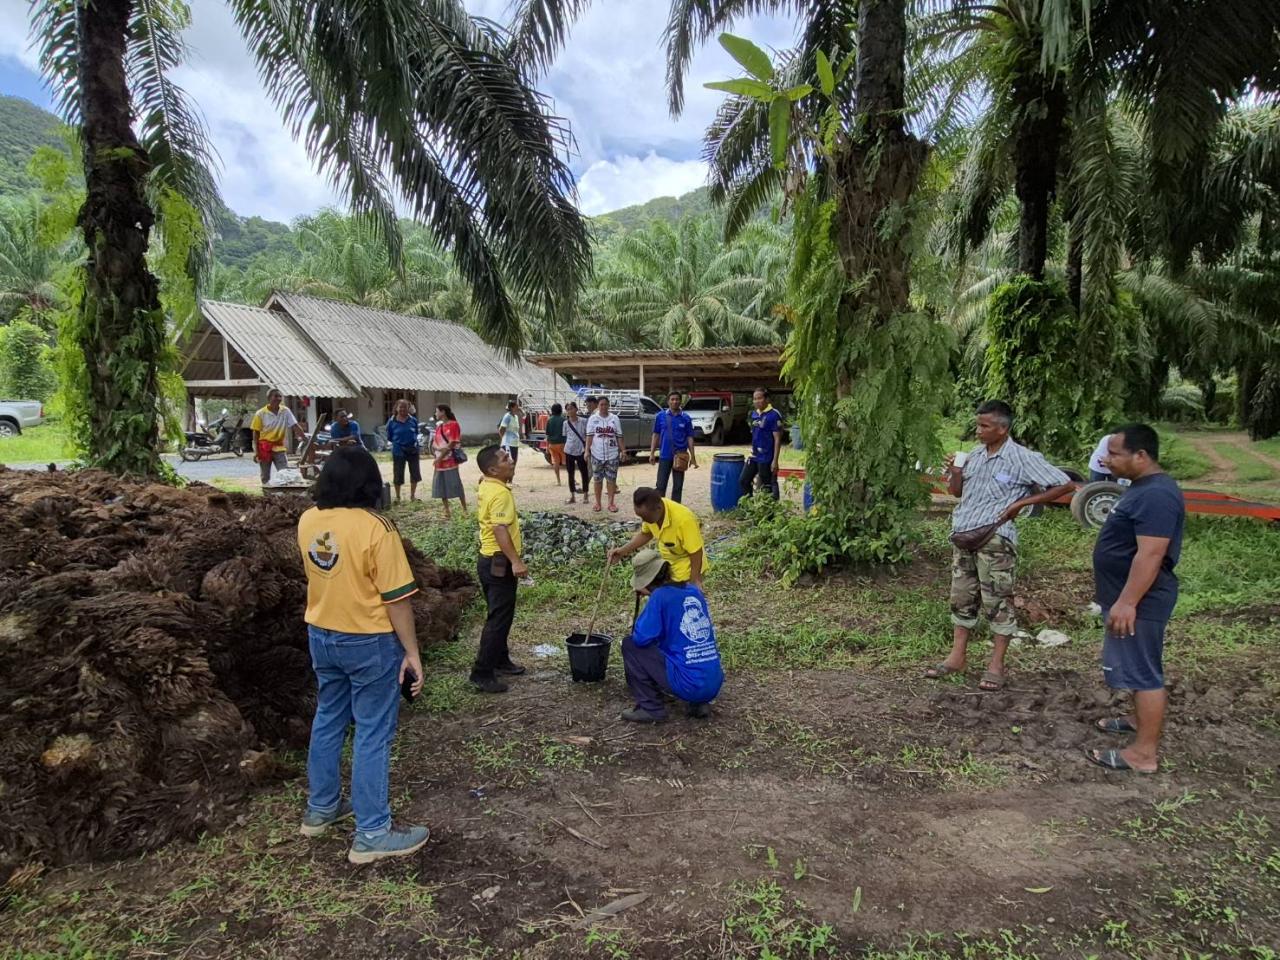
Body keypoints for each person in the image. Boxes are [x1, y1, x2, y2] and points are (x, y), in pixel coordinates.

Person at [296, 446, 429, 863]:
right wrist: (412, 652)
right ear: (370, 484)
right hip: (368, 641)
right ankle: (372, 833)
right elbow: (397, 601)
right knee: (372, 732)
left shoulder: (308, 520)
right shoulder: (377, 528)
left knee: (328, 717)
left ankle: (320, 810)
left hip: (321, 635)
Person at [925, 400, 1075, 690]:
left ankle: (996, 666)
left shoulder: (1022, 457)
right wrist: (955, 472)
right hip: (964, 534)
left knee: (997, 600)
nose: (978, 431)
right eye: (977, 425)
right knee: (961, 597)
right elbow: (957, 493)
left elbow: (1065, 485)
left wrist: (1021, 503)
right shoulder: (975, 455)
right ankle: (957, 658)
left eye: (985, 426)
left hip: (995, 537)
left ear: (1003, 429)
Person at [1086, 425, 1184, 774]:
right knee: (1136, 666)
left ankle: (1143, 755)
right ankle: (1136, 719)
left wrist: (1128, 602)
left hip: (1142, 601)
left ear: (1140, 456)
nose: (1105, 459)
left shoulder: (1156, 495)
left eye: (1114, 453)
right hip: (1131, 597)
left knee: (1143, 673)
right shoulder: (1143, 488)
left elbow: (1151, 554)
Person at [618, 550, 724, 723]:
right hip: (713, 682)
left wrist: (651, 598)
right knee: (685, 646)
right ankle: (698, 704)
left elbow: (640, 637)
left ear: (648, 581)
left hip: (688, 684)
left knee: (630, 646)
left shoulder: (660, 596)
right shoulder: (693, 591)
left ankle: (650, 709)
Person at [472, 445, 527, 694]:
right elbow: (499, 529)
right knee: (499, 619)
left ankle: (500, 660)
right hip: (499, 563)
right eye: (505, 459)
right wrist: (516, 561)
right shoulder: (500, 493)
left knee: (500, 614)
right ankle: (481, 673)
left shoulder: (487, 484)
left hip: (488, 560)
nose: (511, 460)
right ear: (493, 470)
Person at [609, 487, 707, 590]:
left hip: (688, 567)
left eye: (645, 517)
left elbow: (695, 552)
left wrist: (694, 580)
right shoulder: (651, 513)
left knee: (681, 597)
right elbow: (646, 534)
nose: (644, 520)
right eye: (641, 517)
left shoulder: (684, 520)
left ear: (659, 508)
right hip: (669, 563)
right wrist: (622, 551)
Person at [252, 388, 307, 485]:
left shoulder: (285, 411)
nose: (278, 398)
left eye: (280, 396)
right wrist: (256, 452)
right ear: (269, 398)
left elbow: (295, 426)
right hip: (264, 449)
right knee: (265, 475)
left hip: (279, 447)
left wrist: (305, 438)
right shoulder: (260, 414)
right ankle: (267, 492)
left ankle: (283, 492)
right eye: (276, 396)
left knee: (284, 473)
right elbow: (256, 434)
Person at [650, 391, 697, 503]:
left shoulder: (686, 418)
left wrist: (693, 457)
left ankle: (676, 509)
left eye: (677, 399)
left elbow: (690, 438)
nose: (675, 401)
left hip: (681, 456)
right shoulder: (660, 416)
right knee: (661, 485)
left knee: (678, 486)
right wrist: (652, 453)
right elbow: (655, 435)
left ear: (681, 401)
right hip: (665, 456)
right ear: (668, 401)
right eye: (672, 399)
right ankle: (660, 508)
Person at [740, 388, 782, 501]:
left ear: (767, 399)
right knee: (744, 480)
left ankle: (770, 510)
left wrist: (775, 461)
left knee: (767, 486)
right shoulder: (754, 414)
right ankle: (750, 507)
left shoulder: (774, 415)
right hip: (754, 456)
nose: (756, 401)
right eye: (754, 399)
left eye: (759, 398)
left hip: (767, 457)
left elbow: (777, 439)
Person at [587, 396, 626, 513]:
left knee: (611, 480)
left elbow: (619, 436)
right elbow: (589, 436)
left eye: (605, 404)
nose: (603, 407)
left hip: (612, 454)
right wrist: (586, 450)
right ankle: (598, 503)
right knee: (597, 480)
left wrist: (623, 450)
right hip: (596, 454)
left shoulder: (614, 418)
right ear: (598, 406)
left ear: (609, 405)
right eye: (601, 404)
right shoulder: (593, 419)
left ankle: (611, 503)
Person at [431, 404, 467, 519]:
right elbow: (434, 443)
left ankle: (464, 509)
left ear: (443, 412)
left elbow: (452, 443)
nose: (436, 414)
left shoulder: (453, 424)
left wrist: (440, 456)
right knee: (441, 485)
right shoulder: (439, 426)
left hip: (450, 461)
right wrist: (438, 451)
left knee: (456, 484)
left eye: (437, 411)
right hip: (439, 461)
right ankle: (446, 510)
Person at [386, 399, 421, 502]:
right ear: (396, 408)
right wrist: (399, 442)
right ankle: (397, 497)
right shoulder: (391, 421)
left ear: (408, 408)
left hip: (413, 450)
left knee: (414, 473)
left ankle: (412, 496)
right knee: (398, 474)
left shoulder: (413, 420)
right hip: (398, 451)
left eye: (405, 407)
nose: (402, 409)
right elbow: (389, 437)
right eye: (400, 407)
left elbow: (416, 433)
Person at [562, 401, 590, 505]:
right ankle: (572, 496)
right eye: (568, 409)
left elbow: (587, 435)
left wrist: (587, 450)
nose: (570, 411)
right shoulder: (565, 423)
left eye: (571, 408)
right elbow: (565, 436)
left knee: (584, 473)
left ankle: (586, 495)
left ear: (576, 409)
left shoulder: (584, 421)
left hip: (581, 450)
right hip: (569, 450)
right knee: (570, 474)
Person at [545, 403, 566, 486]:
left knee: (556, 462)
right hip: (562, 443)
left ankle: (558, 481)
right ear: (560, 410)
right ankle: (572, 479)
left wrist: (547, 447)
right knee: (566, 462)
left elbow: (547, 435)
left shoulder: (549, 420)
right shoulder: (563, 420)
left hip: (552, 444)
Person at [498, 400, 523, 470]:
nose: (518, 407)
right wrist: (504, 440)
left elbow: (524, 415)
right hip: (508, 444)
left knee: (514, 461)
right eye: (516, 406)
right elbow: (501, 429)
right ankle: (505, 475)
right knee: (508, 462)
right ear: (512, 408)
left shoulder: (515, 417)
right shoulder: (507, 416)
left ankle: (510, 476)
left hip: (515, 443)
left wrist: (521, 410)